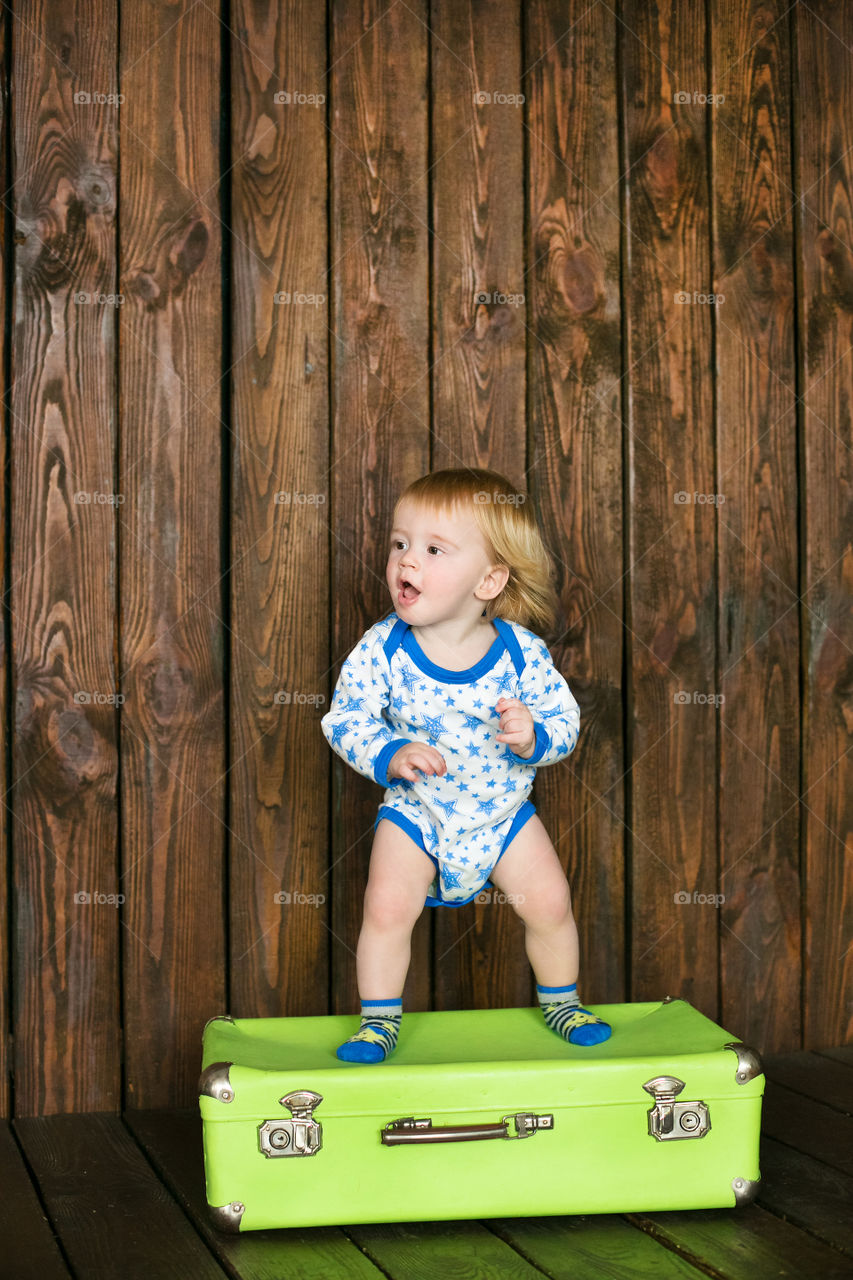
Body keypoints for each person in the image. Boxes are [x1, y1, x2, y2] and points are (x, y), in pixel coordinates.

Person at [320, 467, 611, 1062]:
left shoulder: (520, 653)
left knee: (551, 904)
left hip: (503, 816)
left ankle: (562, 1002)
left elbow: (566, 723)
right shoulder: (384, 649)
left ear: (489, 580)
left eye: (432, 550)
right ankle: (376, 1022)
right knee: (385, 908)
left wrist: (533, 737)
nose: (406, 561)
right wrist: (388, 753)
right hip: (417, 813)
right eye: (399, 543)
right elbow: (344, 718)